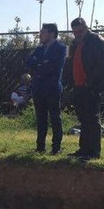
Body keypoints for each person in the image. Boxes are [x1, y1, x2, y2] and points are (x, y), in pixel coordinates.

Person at [69, 17, 104, 161]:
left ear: (86, 28)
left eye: (80, 31)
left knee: (92, 119)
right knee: (83, 119)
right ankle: (84, 149)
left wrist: (92, 84)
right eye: (75, 32)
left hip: (90, 86)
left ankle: (94, 151)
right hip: (78, 86)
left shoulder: (96, 41)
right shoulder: (75, 43)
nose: (78, 34)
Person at [26, 23, 67, 154]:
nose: (40, 35)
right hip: (38, 88)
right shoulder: (39, 49)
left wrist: (39, 65)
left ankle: (56, 147)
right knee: (40, 118)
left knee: (55, 117)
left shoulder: (61, 48)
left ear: (51, 33)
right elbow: (28, 63)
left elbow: (52, 67)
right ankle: (40, 146)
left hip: (52, 88)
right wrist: (41, 64)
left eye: (43, 32)